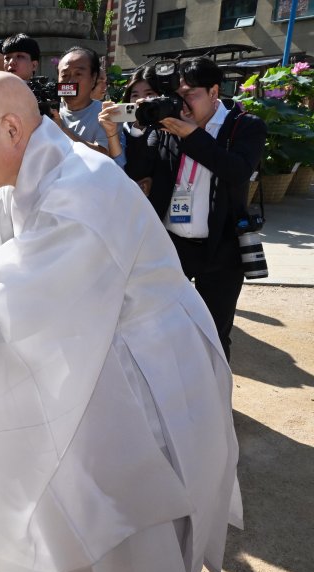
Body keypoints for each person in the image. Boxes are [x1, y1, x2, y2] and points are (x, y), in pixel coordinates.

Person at [0, 72, 241, 572]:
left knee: (130, 512)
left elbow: (16, 297)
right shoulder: (30, 169)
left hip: (145, 366)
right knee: (78, 493)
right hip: (101, 351)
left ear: (12, 128)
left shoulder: (81, 189)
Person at [139, 57, 266, 360]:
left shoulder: (245, 126)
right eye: (177, 95)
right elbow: (140, 169)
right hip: (172, 248)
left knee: (213, 335)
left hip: (221, 250)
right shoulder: (168, 125)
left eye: (190, 94)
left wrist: (191, 134)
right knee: (161, 328)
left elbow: (236, 170)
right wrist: (135, 128)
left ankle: (214, 404)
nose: (182, 104)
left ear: (213, 92)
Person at [55, 46, 125, 166]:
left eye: (78, 74)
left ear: (93, 79)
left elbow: (103, 157)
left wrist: (62, 130)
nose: (71, 82)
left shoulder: (105, 114)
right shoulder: (50, 111)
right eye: (65, 75)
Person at [97, 66, 160, 190]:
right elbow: (120, 166)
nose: (140, 100)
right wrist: (111, 133)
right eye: (135, 95)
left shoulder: (170, 128)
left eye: (149, 94)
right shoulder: (122, 127)